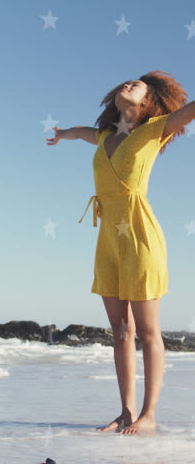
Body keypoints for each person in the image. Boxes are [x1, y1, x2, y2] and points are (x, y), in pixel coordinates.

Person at [46, 70, 195, 435]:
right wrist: (64, 134)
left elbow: (189, 111)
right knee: (119, 329)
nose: (127, 85)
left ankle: (149, 415)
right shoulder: (104, 138)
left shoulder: (155, 129)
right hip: (109, 239)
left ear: (148, 101)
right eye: (125, 83)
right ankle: (126, 412)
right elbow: (84, 132)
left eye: (137, 85)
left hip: (140, 235)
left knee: (148, 331)